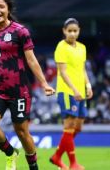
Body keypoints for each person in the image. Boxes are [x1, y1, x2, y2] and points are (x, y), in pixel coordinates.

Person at [0, 0, 55, 170]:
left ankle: (33, 166)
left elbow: (31, 60)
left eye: (1, 7)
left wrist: (44, 83)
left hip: (18, 89)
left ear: (8, 9)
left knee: (21, 132)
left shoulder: (20, 31)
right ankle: (10, 152)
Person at [50, 18, 93, 170]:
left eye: (75, 31)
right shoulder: (61, 47)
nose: (73, 34)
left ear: (79, 30)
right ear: (64, 31)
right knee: (69, 126)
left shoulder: (82, 47)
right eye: (70, 31)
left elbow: (82, 69)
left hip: (80, 92)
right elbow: (62, 72)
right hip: (67, 92)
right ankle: (73, 163)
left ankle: (57, 156)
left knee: (78, 127)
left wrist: (88, 85)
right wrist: (74, 90)